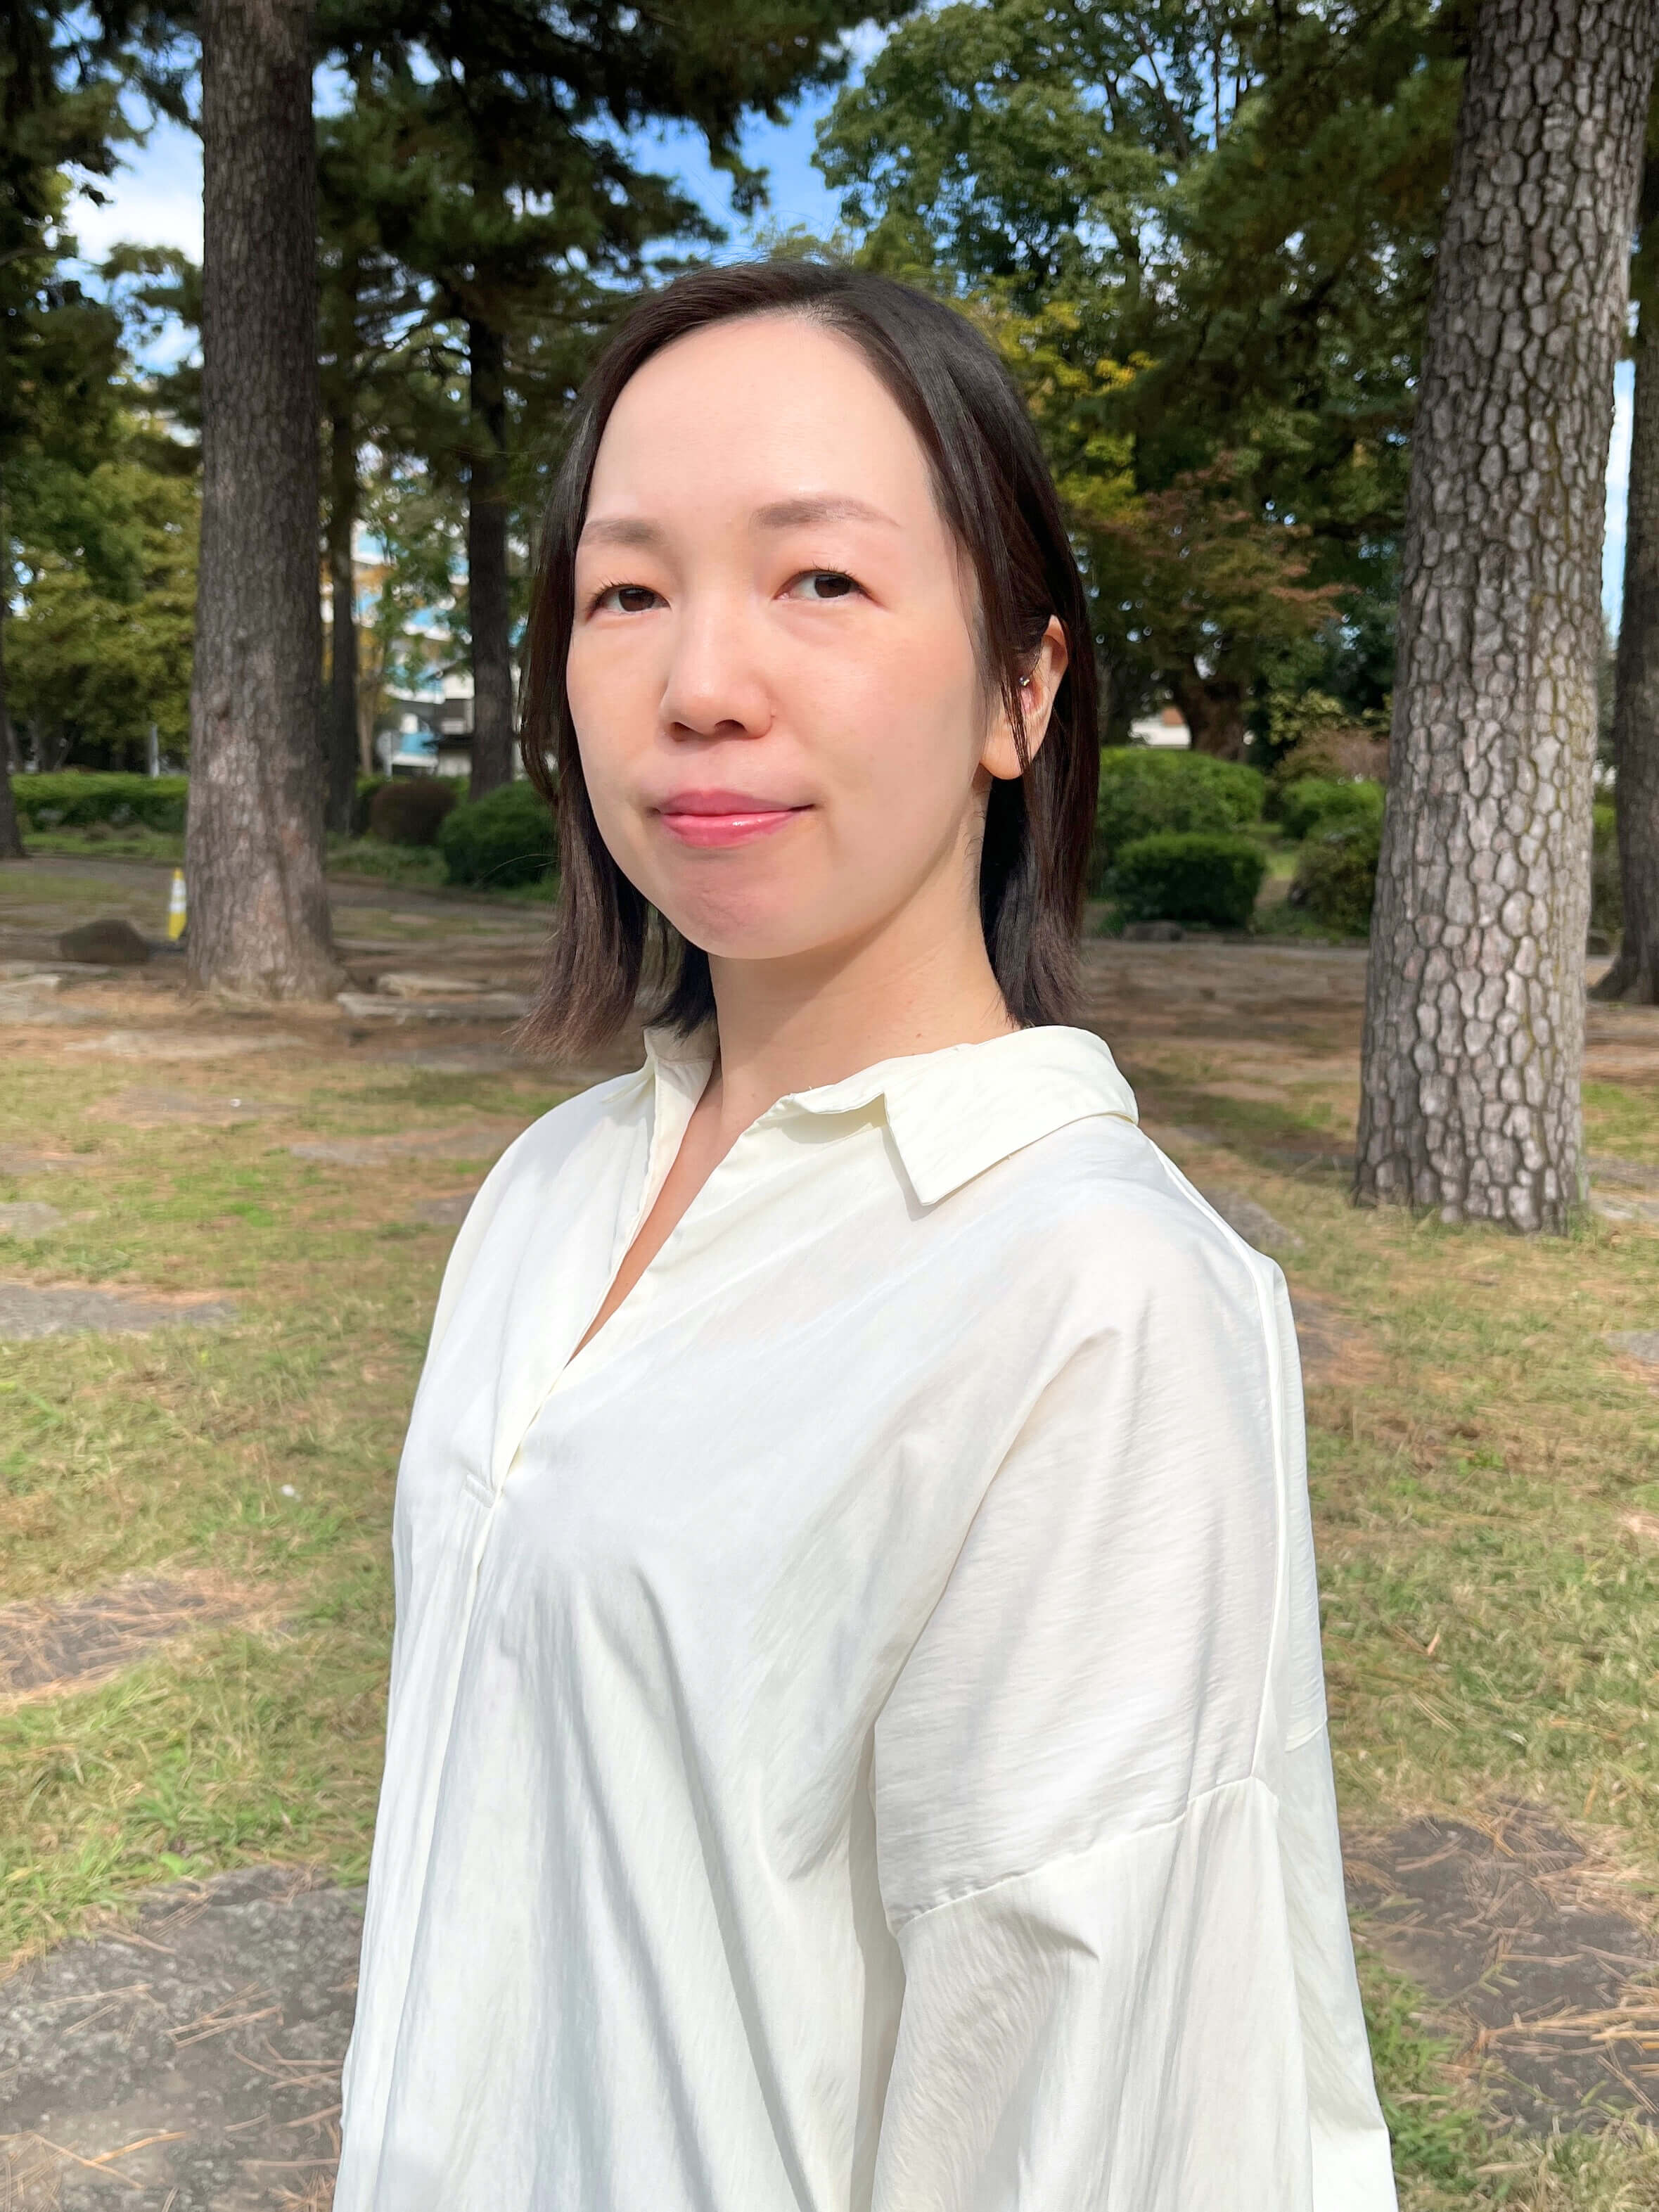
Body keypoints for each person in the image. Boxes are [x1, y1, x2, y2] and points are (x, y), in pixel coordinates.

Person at [334, 260, 1395, 2212]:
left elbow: (1085, 2110)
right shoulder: (549, 1192)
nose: (700, 681)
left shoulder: (1094, 1298)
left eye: (818, 578)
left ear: (1021, 689)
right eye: (625, 592)